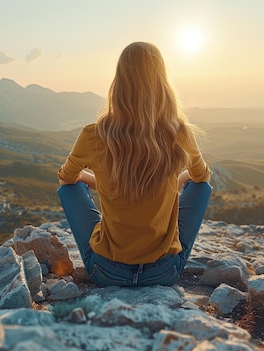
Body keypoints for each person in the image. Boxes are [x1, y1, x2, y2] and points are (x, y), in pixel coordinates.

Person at [57, 41, 212, 287]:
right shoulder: (179, 133)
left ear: (119, 83)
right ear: (162, 83)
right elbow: (202, 177)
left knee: (70, 189)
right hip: (165, 272)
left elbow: (66, 179)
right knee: (202, 188)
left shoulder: (94, 135)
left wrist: (88, 178)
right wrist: (177, 179)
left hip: (106, 271)